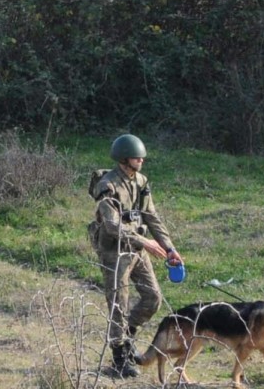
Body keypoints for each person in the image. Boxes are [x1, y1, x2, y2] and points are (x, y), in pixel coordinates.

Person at [89, 134, 185, 379]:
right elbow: (112, 226)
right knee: (118, 305)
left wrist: (169, 248)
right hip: (114, 252)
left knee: (153, 297)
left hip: (137, 249)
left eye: (141, 156)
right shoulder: (107, 185)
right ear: (123, 159)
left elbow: (151, 217)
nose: (141, 160)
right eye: (136, 156)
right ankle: (119, 358)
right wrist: (146, 243)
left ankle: (127, 336)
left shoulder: (141, 181)